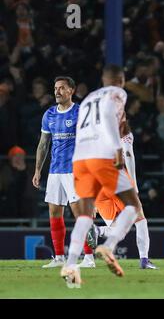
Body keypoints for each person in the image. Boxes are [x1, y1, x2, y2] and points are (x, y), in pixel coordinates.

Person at [61, 65, 141, 288]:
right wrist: (117, 148)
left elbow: (81, 128)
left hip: (80, 158)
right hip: (101, 156)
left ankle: (70, 265)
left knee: (85, 216)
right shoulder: (118, 92)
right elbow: (108, 116)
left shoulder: (87, 99)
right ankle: (110, 244)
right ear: (121, 80)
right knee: (133, 205)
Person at [32, 76, 95, 269]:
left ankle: (89, 257)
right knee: (54, 212)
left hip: (75, 170)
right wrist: (37, 170)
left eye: (61, 88)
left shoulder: (80, 112)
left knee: (79, 213)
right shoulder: (49, 114)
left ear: (71, 91)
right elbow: (43, 144)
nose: (57, 92)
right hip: (55, 171)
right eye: (55, 88)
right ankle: (59, 256)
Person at [87, 121, 157, 270]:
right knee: (140, 220)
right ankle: (144, 260)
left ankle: (97, 230)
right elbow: (128, 155)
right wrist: (134, 185)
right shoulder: (124, 133)